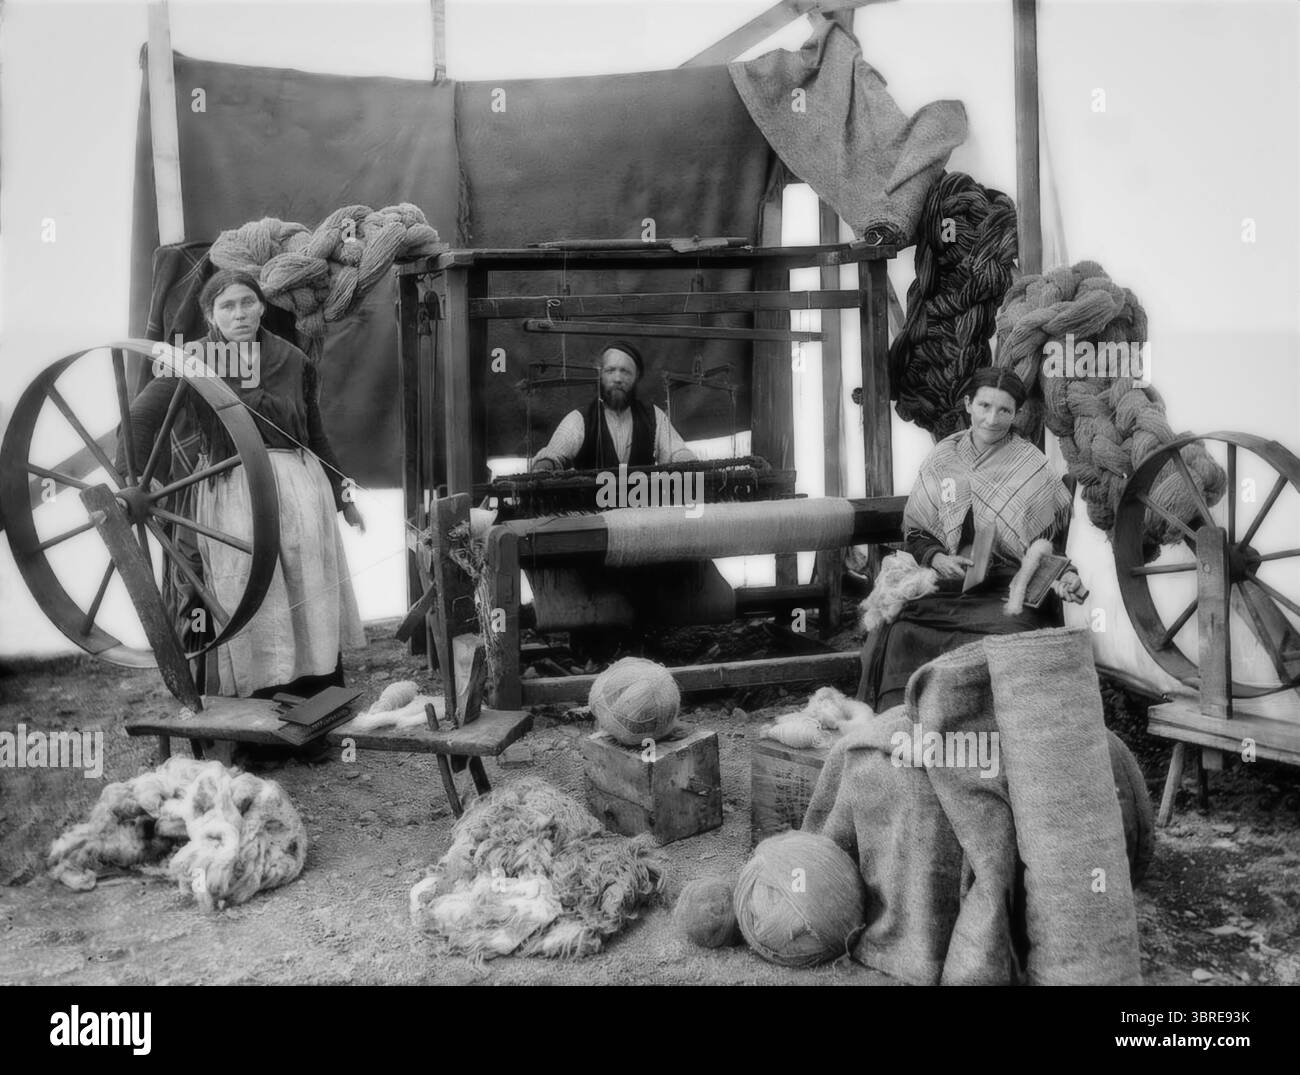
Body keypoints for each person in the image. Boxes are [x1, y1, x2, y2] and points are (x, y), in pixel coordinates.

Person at [129, 269, 366, 699]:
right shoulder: (191, 359)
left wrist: (342, 494)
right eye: (227, 306)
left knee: (304, 591)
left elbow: (315, 436)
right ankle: (258, 718)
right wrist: (136, 483)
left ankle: (318, 708)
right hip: (234, 495)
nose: (240, 314)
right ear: (210, 315)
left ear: (261, 307)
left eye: (247, 303)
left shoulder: (293, 359)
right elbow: (142, 418)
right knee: (249, 593)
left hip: (300, 492)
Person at [859, 367, 1087, 711]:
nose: (992, 419)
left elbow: (1046, 546)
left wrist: (1066, 577)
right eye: (984, 406)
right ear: (968, 404)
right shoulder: (942, 458)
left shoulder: (1032, 466)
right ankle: (907, 717)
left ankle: (990, 721)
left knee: (1012, 633)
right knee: (899, 625)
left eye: (1004, 410)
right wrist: (938, 558)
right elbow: (918, 533)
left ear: (1018, 414)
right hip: (948, 584)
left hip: (1006, 586)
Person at [530, 341, 696, 471]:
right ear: (600, 375)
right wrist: (544, 466)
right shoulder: (580, 419)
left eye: (625, 371)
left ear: (636, 376)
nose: (617, 378)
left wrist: (688, 461)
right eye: (610, 370)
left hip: (641, 510)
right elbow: (553, 454)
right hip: (592, 510)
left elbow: (676, 451)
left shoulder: (654, 416)